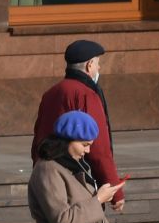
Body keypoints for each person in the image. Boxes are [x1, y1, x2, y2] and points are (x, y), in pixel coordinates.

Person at [30, 40, 121, 210]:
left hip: (49, 174)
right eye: (98, 64)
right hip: (79, 178)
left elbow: (38, 135)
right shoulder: (87, 94)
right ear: (89, 65)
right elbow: (99, 148)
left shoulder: (51, 93)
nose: (99, 69)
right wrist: (115, 191)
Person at [27, 110, 119, 223]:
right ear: (67, 141)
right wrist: (98, 200)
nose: (87, 151)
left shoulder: (70, 166)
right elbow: (62, 220)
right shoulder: (48, 170)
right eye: (84, 145)